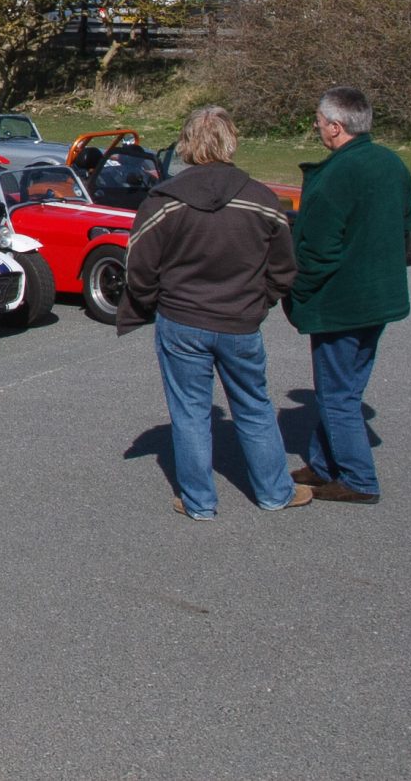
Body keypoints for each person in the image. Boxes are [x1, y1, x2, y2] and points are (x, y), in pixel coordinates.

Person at [118, 104, 310, 519]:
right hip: (239, 320)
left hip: (182, 320)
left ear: (187, 145)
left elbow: (138, 267)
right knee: (254, 407)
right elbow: (283, 268)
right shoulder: (261, 199)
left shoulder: (163, 201)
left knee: (189, 413)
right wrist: (259, 303)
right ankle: (274, 492)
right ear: (230, 141)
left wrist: (153, 302)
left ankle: (200, 501)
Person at [290, 85, 411, 505]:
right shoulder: (391, 163)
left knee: (337, 393)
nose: (316, 127)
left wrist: (295, 292)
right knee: (345, 387)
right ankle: (323, 463)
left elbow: (317, 249)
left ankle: (358, 478)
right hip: (379, 299)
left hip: (342, 302)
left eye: (319, 121)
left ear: (335, 126)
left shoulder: (336, 175)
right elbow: (408, 229)